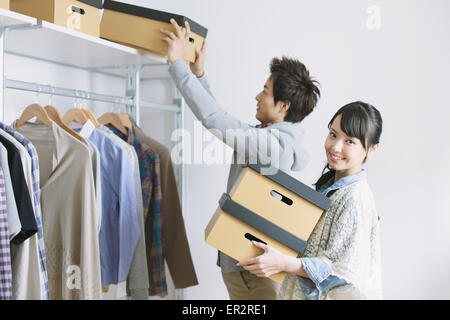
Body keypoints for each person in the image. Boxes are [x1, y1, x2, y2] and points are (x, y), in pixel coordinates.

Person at [161, 19, 321, 300]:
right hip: (250, 267)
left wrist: (177, 66)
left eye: (266, 91)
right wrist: (198, 76)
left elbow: (216, 121)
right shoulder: (275, 139)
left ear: (284, 106)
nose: (257, 96)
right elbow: (224, 121)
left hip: (251, 272)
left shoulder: (271, 146)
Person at [237, 101, 383, 300]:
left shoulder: (355, 198)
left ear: (371, 150)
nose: (336, 147)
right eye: (333, 134)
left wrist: (282, 263)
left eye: (350, 141)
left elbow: (342, 271)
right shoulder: (333, 188)